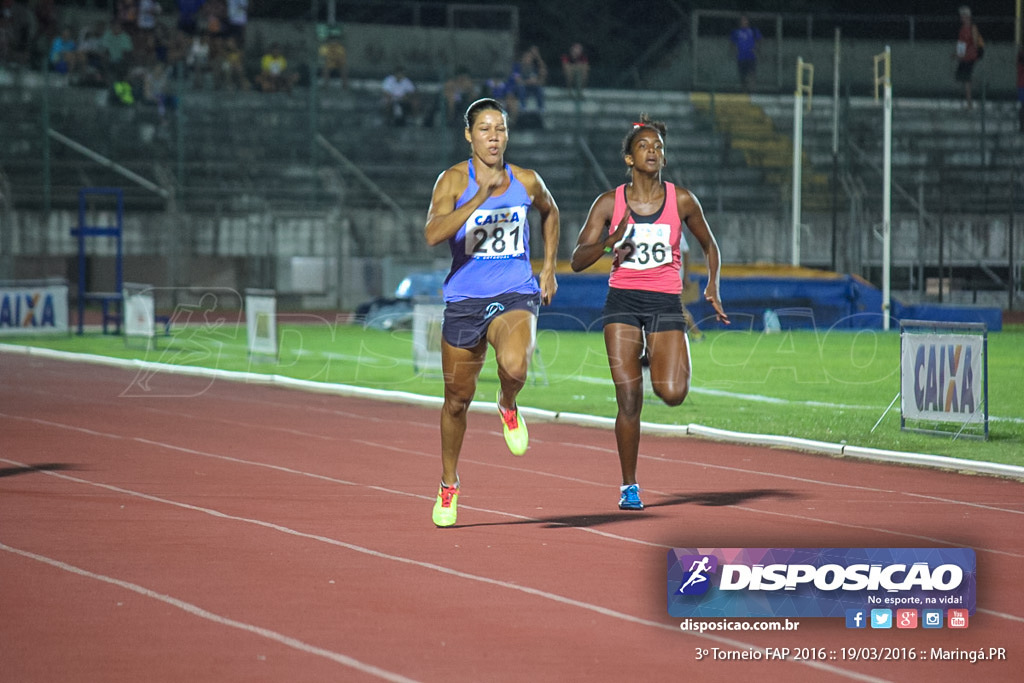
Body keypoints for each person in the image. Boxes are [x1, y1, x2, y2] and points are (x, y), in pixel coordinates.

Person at [570, 114, 728, 510]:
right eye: (644, 146)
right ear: (628, 157)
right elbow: (576, 259)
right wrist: (610, 242)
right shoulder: (610, 202)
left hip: (663, 303)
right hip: (622, 301)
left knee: (672, 394)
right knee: (628, 400)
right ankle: (629, 486)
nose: (653, 151)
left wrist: (712, 284)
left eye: (658, 146)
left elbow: (710, 246)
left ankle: (650, 358)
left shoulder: (683, 200)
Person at [423, 97, 560, 527]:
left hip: (516, 290)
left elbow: (550, 212)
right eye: (484, 129)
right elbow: (431, 234)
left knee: (516, 364)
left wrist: (550, 267)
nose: (494, 136)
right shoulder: (451, 181)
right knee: (457, 402)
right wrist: (477, 198)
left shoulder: (525, 180)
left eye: (500, 128)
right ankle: (448, 484)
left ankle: (508, 402)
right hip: (464, 300)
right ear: (469, 135)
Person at [953, 5, 984, 109]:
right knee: (960, 77)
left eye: (963, 15)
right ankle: (975, 89)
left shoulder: (972, 27)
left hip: (970, 56)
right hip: (965, 57)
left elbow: (974, 44)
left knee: (966, 79)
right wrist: (958, 54)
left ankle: (969, 102)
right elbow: (961, 44)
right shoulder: (962, 29)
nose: (961, 18)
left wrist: (966, 52)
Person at [730, 14, 762, 92]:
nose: (743, 22)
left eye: (745, 20)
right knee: (742, 76)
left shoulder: (753, 31)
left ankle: (753, 92)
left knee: (752, 74)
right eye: (742, 20)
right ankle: (743, 92)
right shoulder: (736, 32)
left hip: (751, 56)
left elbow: (760, 40)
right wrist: (733, 52)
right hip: (741, 57)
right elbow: (732, 43)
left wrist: (757, 49)